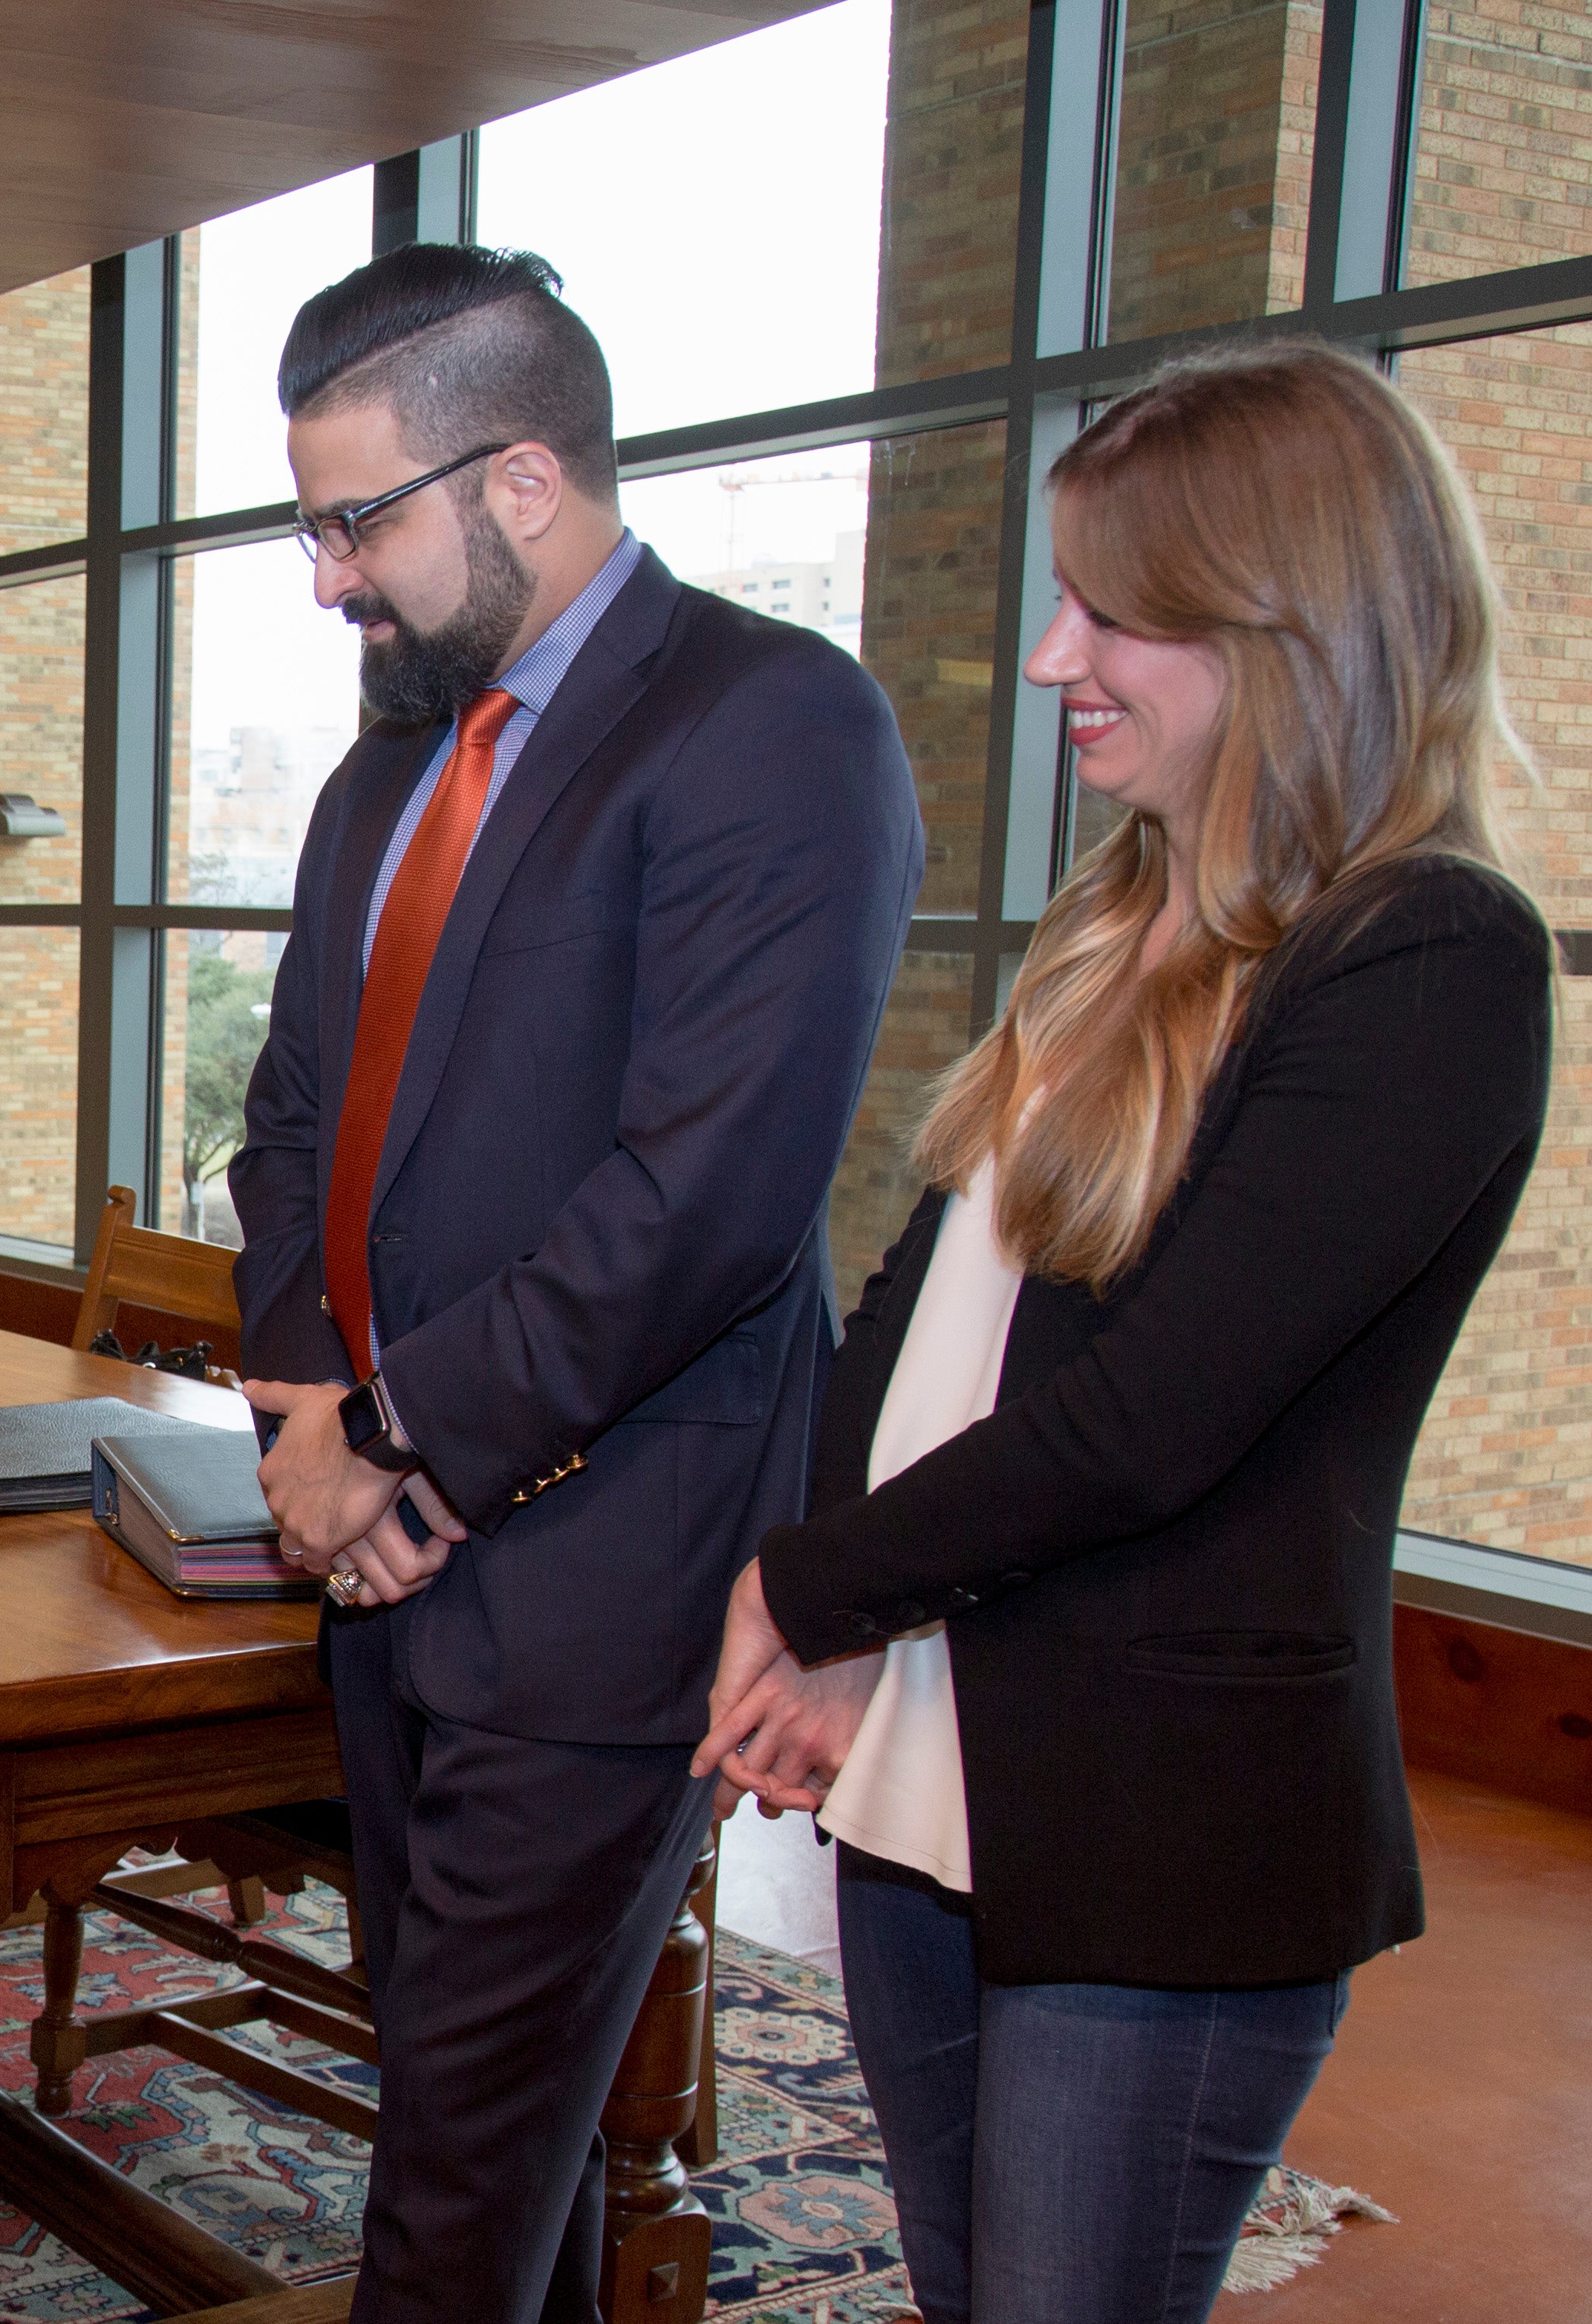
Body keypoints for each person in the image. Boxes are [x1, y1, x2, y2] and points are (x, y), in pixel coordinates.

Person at [695, 343, 1555, 2324]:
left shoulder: (1426, 952)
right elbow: (921, 1311)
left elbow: (1148, 1420)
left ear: (1289, 619)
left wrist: (797, 1579)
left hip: (1162, 1828)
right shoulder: (1114, 918)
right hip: (935, 1772)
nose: (1051, 647)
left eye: (1115, 604)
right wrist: (834, 1645)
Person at [226, 243, 922, 2322]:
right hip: (375, 1546)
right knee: (435, 2100)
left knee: (464, 2168)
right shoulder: (383, 771)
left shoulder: (771, 726)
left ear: (519, 477)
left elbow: (699, 1201)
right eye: (313, 523)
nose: (327, 578)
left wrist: (401, 1440)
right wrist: (298, 1418)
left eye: (357, 520)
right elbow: (283, 1122)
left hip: (598, 1553)